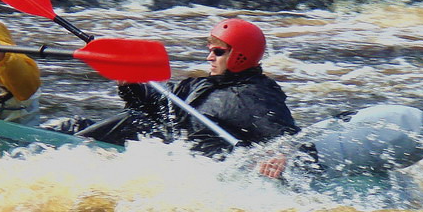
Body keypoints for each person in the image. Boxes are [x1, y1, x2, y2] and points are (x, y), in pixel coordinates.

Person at [70, 18, 300, 158]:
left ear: (241, 56)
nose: (210, 57)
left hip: (199, 164)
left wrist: (280, 154)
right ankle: (56, 141)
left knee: (130, 121)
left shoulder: (255, 96)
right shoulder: (201, 84)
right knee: (77, 124)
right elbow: (156, 106)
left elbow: (290, 138)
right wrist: (130, 84)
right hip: (171, 148)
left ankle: (63, 150)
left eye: (218, 52)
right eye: (210, 49)